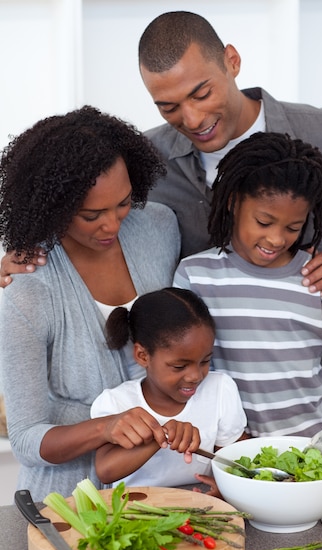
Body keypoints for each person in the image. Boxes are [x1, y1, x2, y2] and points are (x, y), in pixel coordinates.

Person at [0, 10, 322, 300]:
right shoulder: (142, 160)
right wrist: (21, 264)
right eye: (168, 107)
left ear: (232, 61)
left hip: (307, 396)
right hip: (192, 401)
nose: (192, 119)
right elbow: (83, 224)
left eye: (201, 93)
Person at [0, 106, 190, 501]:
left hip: (165, 488)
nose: (113, 224)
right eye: (91, 215)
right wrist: (106, 426)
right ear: (52, 207)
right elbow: (25, 438)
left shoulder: (159, 227)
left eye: (122, 203)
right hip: (69, 502)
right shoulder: (29, 285)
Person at [173, 132, 322, 443]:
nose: (277, 239)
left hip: (310, 456)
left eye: (293, 227)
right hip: (231, 456)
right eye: (264, 222)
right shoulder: (195, 275)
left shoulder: (319, 280)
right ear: (233, 202)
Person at [91, 287, 247, 496]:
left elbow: (236, 456)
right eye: (179, 366)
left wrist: (228, 486)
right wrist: (161, 435)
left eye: (205, 361)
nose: (196, 376)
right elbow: (106, 470)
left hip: (200, 504)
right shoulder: (116, 402)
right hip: (136, 512)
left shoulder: (220, 389)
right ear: (143, 355)